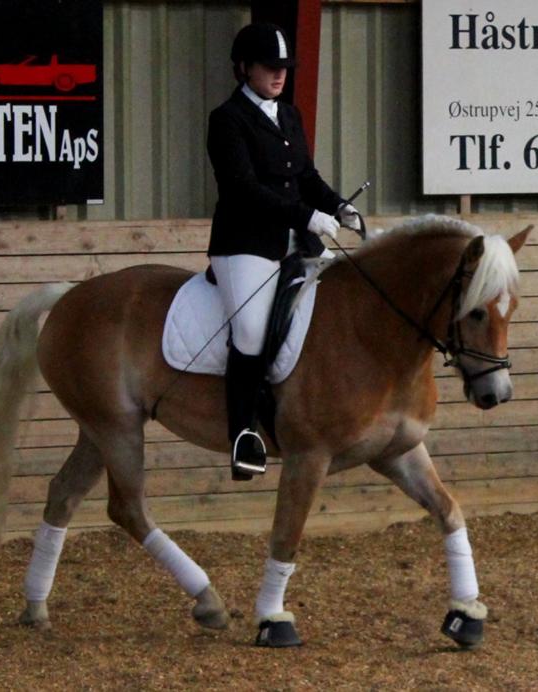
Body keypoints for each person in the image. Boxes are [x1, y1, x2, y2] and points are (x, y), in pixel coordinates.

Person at [206, 22, 361, 480]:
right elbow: (243, 190)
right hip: (246, 245)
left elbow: (307, 177)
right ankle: (242, 436)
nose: (279, 75)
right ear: (243, 68)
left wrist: (338, 205)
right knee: (251, 333)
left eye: (284, 68)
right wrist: (305, 216)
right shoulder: (227, 120)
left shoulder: (289, 116)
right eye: (269, 68)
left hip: (297, 242)